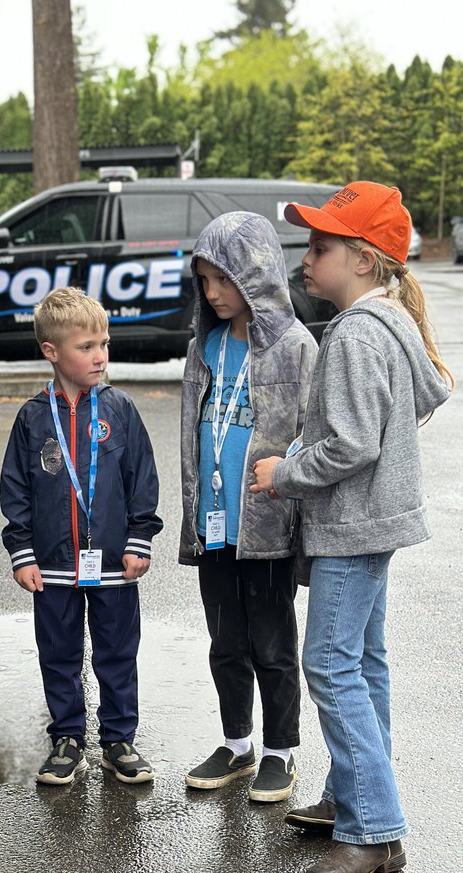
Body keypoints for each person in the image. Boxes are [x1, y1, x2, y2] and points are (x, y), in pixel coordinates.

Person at [251, 181, 453, 873]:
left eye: (320, 246)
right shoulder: (386, 324)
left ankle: (374, 830)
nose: (305, 258)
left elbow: (352, 445)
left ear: (363, 260)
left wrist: (284, 472)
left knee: (330, 667)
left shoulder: (360, 334)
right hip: (374, 523)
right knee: (364, 666)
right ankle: (353, 799)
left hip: (353, 526)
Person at [179, 211, 318, 803]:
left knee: (273, 644)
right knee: (225, 641)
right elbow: (192, 435)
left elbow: (314, 436)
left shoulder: (295, 347)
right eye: (205, 281)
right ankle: (237, 744)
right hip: (215, 527)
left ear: (256, 273)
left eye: (225, 280)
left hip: (268, 528)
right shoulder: (202, 346)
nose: (213, 293)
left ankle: (281, 750)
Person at [0, 286, 163, 786]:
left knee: (117, 651)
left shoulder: (120, 410)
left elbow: (142, 479)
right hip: (52, 565)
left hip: (113, 563)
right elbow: (16, 488)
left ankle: (118, 739)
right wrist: (22, 552)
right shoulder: (32, 417)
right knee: (60, 653)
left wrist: (140, 538)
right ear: (52, 352)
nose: (100, 357)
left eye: (104, 344)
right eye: (86, 347)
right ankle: (68, 738)